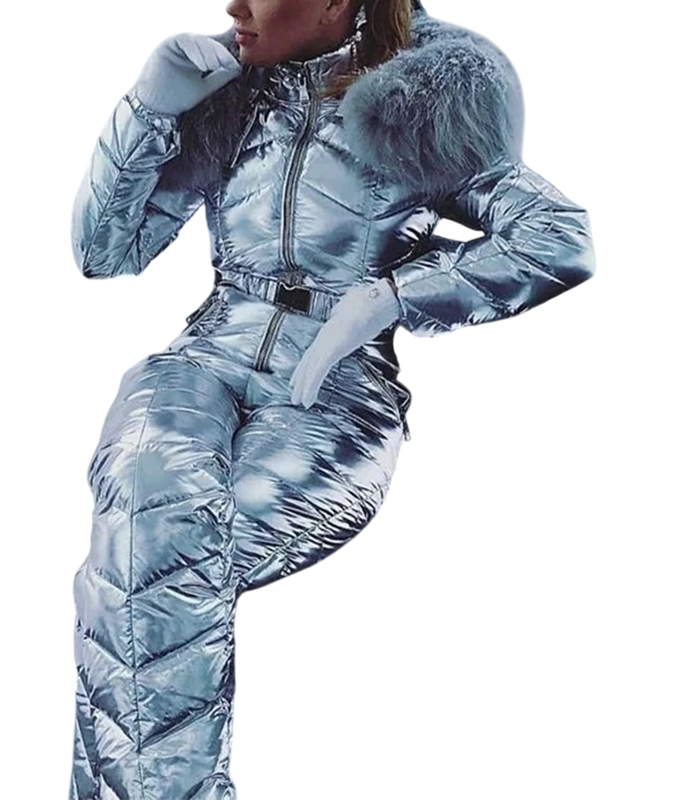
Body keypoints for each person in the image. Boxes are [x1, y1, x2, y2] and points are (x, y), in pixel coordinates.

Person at [67, 0, 596, 797]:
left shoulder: (430, 88)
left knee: (147, 567)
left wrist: (390, 296)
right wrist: (147, 109)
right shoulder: (225, 84)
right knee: (147, 517)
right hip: (202, 355)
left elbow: (557, 238)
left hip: (336, 391)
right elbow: (105, 250)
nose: (233, 5)